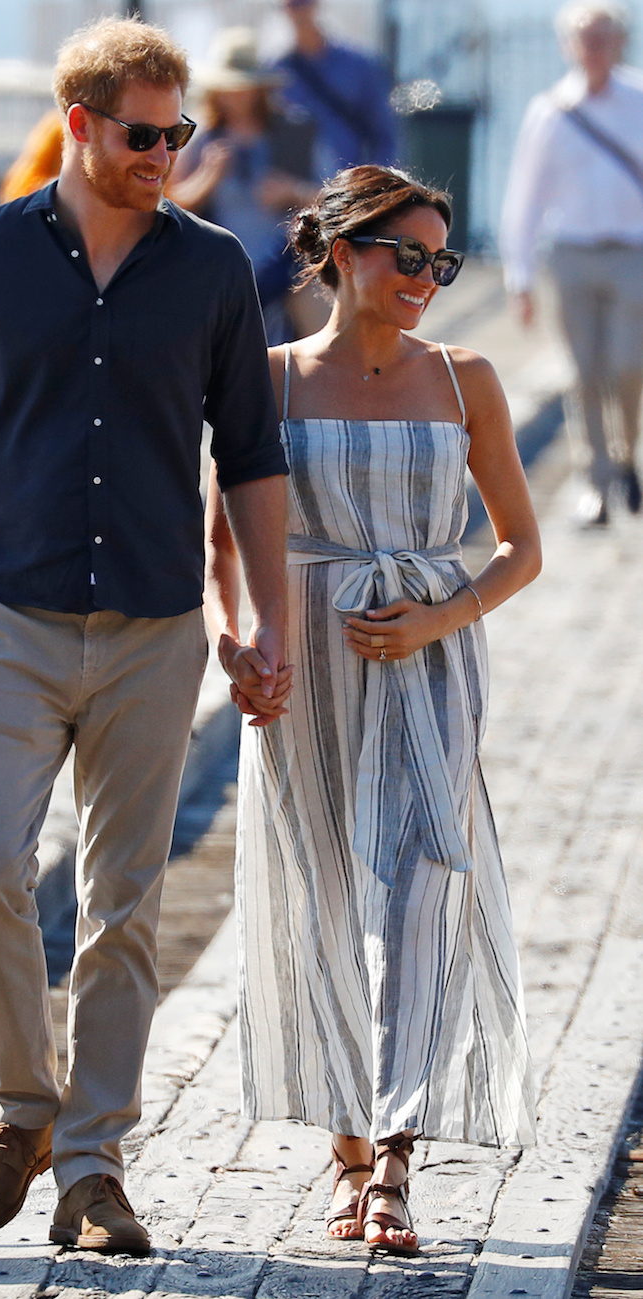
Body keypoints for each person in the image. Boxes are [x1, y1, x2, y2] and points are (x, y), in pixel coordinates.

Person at [0, 16, 288, 1257]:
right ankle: (18, 1111)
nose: (167, 154)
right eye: (145, 135)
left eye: (182, 133)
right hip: (10, 614)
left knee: (123, 906)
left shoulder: (211, 269)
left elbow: (252, 457)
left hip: (156, 628)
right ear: (81, 125)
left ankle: (93, 1170)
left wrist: (260, 618)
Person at [204, 165, 539, 1253]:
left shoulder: (466, 378)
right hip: (302, 665)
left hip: (430, 664)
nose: (427, 280)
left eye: (440, 262)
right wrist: (234, 640)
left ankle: (393, 1157)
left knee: (420, 895)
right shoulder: (270, 379)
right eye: (408, 257)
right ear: (343, 252)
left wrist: (435, 623)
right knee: (317, 900)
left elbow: (518, 549)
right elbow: (222, 545)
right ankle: (346, 1143)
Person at [501, 2, 643, 527]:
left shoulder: (639, 100)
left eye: (604, 37)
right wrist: (520, 276)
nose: (594, 48)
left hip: (633, 251)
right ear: (569, 46)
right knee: (583, 373)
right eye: (585, 38)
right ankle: (597, 481)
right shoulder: (550, 110)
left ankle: (628, 453)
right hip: (573, 253)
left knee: (630, 367)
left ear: (620, 42)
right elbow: (525, 197)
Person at [166, 26, 318, 341]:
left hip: (286, 273)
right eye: (228, 87)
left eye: (244, 87)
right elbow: (170, 205)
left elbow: (335, 198)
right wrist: (208, 178)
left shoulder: (295, 133)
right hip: (217, 279)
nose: (236, 95)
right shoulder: (201, 137)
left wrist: (293, 191)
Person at [272, 0, 398, 180]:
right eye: (292, 4)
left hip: (351, 188)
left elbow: (385, 136)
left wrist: (376, 187)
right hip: (296, 196)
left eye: (303, 2)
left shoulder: (359, 65)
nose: (299, 11)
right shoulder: (274, 71)